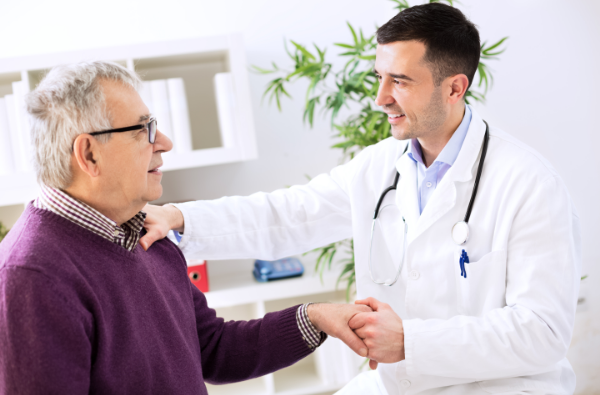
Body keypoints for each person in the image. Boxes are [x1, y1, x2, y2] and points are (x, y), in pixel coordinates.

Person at [142, 3, 582, 394]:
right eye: (379, 77)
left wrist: (410, 341)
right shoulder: (378, 167)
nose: (380, 98)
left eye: (401, 81)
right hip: (399, 381)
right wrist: (178, 218)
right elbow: (289, 214)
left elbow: (542, 333)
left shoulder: (528, 184)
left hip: (501, 385)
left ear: (454, 88)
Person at [0, 61, 373, 394]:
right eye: (143, 130)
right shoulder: (32, 277)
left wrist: (315, 317)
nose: (164, 142)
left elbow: (212, 348)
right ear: (89, 154)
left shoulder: (144, 234)